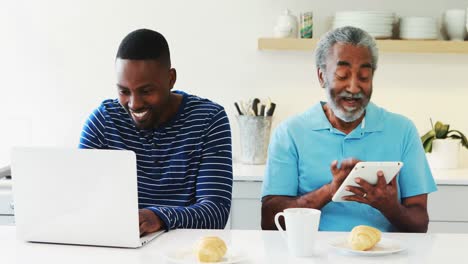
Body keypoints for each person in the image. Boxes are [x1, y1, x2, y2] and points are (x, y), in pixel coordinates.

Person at [261, 26, 437, 232]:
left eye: (363, 77)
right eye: (342, 75)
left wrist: (390, 207)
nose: (354, 87)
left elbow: (420, 224)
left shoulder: (402, 130)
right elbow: (269, 221)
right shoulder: (290, 133)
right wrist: (330, 190)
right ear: (321, 76)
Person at [79, 29, 233, 235]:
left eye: (146, 91)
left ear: (171, 79)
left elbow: (216, 213)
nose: (134, 104)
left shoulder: (209, 120)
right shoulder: (104, 122)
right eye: (124, 91)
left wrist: (159, 217)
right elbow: (79, 202)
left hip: (184, 253)